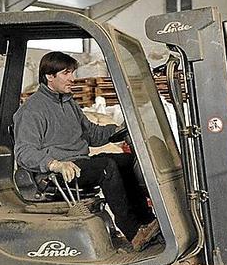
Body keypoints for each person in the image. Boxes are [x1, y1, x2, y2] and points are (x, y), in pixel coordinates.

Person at [13, 51, 160, 250]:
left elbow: (91, 134)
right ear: (49, 76)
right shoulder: (32, 110)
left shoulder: (68, 102)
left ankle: (146, 222)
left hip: (79, 163)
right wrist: (54, 163)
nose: (72, 79)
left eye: (72, 73)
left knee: (126, 161)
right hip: (55, 173)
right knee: (106, 167)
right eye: (66, 73)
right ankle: (133, 231)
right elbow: (24, 151)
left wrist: (118, 130)